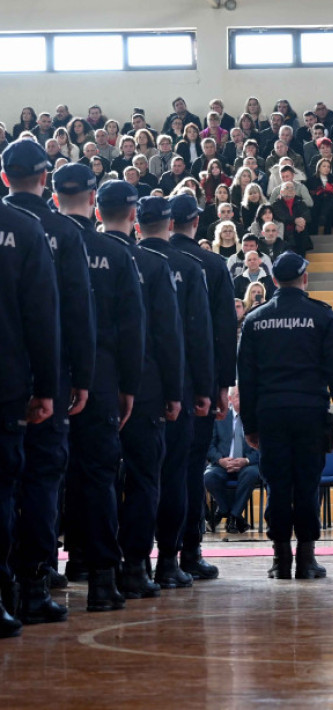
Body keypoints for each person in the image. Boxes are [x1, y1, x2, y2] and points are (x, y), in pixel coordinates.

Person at [2, 150, 95, 622]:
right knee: (40, 478)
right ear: (45, 178)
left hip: (20, 372)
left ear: (4, 177)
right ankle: (34, 585)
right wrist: (79, 377)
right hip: (38, 375)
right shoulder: (56, 230)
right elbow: (71, 312)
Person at [238, 251, 333, 579]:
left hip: (271, 414)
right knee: (306, 484)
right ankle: (306, 559)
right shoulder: (323, 317)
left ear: (273, 280)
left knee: (277, 485)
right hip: (310, 413)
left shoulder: (255, 319)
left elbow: (245, 378)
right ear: (305, 279)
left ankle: (279, 560)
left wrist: (249, 424)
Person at [62, 179, 145, 612]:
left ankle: (28, 581)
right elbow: (133, 329)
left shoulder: (43, 238)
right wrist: (128, 387)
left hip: (48, 376)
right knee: (98, 477)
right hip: (100, 379)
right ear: (92, 202)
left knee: (35, 479)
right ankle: (100, 579)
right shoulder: (116, 253)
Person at [104, 194, 184, 599]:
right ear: (132, 216)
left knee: (98, 478)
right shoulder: (154, 264)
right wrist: (174, 391)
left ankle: (96, 565)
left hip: (96, 383)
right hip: (146, 387)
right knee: (143, 479)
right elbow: (168, 336)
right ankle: (134, 566)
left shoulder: (95, 254)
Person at [0, 141, 60, 639]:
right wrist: (47, 386)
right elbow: (44, 317)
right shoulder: (24, 228)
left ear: (4, 177)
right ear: (44, 178)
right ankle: (16, 591)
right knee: (7, 486)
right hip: (7, 380)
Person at [140, 193, 215, 589]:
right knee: (175, 476)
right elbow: (199, 337)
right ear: (170, 224)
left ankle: (128, 564)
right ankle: (168, 561)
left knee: (132, 478)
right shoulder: (188, 266)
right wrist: (205, 389)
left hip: (128, 385)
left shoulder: (127, 258)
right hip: (178, 387)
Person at [169, 192, 237, 583]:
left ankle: (146, 555)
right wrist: (223, 385)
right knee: (191, 469)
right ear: (196, 222)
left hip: (149, 383)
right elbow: (224, 332)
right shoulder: (211, 264)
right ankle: (189, 552)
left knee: (154, 470)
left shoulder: (143, 256)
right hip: (199, 383)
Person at [204, 387, 261, 534]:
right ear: (229, 399)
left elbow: (262, 449)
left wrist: (246, 460)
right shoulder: (219, 417)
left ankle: (232, 514)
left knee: (252, 474)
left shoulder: (255, 418)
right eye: (238, 396)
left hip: (247, 465)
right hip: (223, 464)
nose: (242, 399)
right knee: (208, 476)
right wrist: (220, 460)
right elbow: (209, 446)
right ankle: (228, 511)